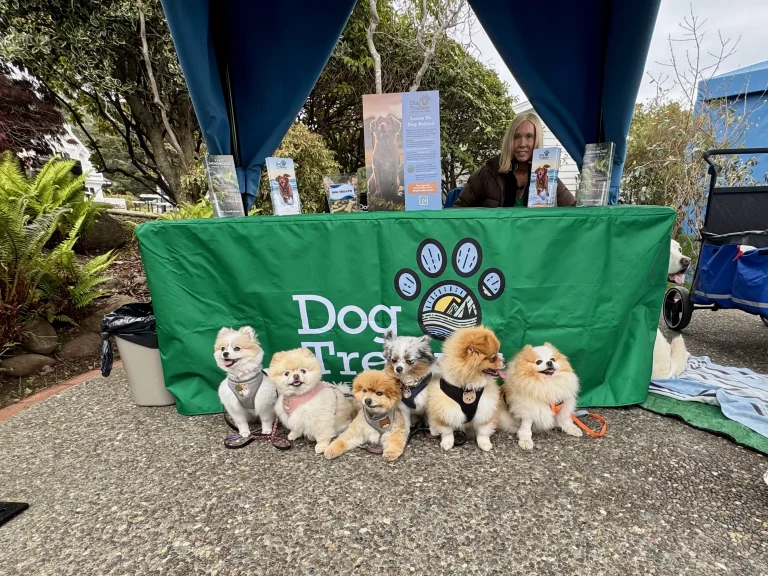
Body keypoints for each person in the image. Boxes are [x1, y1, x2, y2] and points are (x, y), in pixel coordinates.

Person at [454, 113, 576, 208]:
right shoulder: (489, 172)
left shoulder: (547, 174)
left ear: (536, 140)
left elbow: (573, 212)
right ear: (509, 140)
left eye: (529, 136)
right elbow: (458, 211)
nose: (522, 144)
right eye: (516, 137)